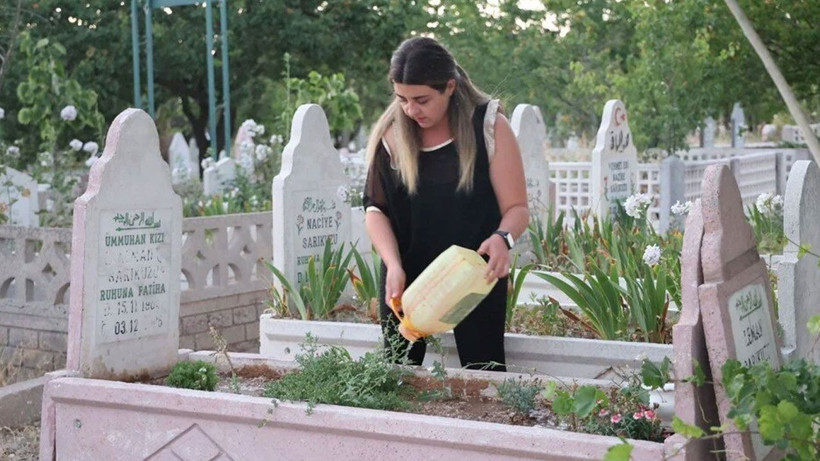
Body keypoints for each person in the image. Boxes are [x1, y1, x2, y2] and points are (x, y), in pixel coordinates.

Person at [362, 37, 529, 371]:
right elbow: (375, 210)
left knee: (485, 374)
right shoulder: (392, 133)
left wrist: (503, 238)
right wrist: (393, 265)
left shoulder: (489, 126)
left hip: (474, 273)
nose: (411, 110)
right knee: (397, 376)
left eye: (421, 100)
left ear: (449, 87)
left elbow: (517, 209)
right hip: (406, 272)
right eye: (402, 99)